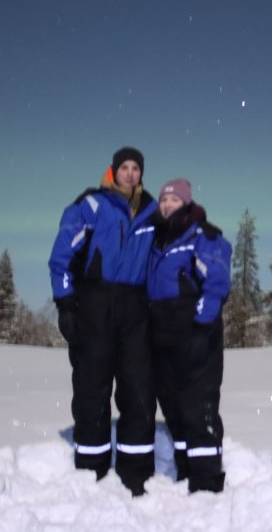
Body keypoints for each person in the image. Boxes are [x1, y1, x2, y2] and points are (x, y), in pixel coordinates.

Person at [48, 146, 157, 496]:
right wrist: (65, 304)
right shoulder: (91, 205)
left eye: (135, 168)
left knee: (138, 387)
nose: (129, 173)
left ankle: (135, 471)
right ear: (113, 171)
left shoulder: (152, 211)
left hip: (135, 308)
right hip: (95, 303)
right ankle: (91, 468)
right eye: (123, 167)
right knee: (92, 386)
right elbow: (61, 258)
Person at [147, 178, 232, 493]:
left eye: (174, 200)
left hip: (195, 336)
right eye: (164, 201)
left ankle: (207, 482)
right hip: (163, 340)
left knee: (198, 408)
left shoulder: (202, 235)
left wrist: (201, 324)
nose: (168, 205)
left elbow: (217, 283)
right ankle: (185, 472)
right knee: (174, 408)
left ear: (186, 203)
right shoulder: (158, 241)